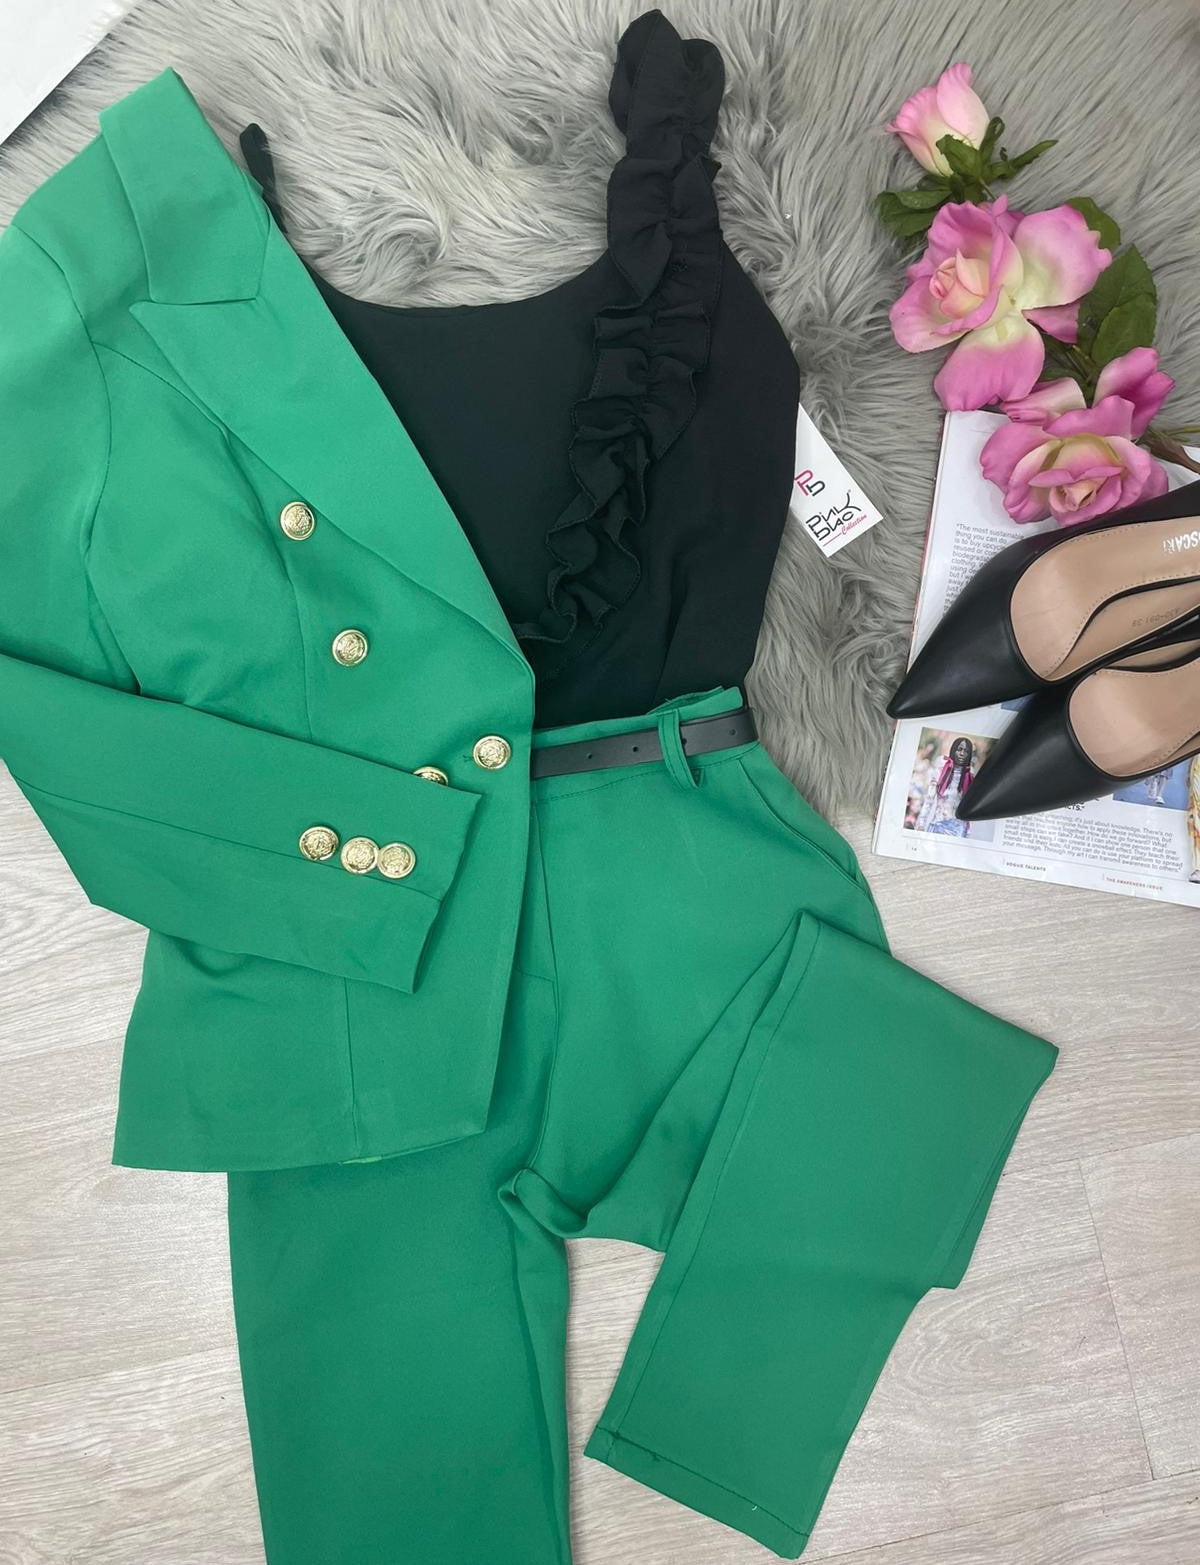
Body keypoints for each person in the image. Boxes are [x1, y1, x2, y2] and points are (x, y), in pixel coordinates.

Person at [915, 736, 976, 837]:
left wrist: (968, 834)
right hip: (937, 827)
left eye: (966, 751)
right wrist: (921, 823)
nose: (962, 753)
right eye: (959, 749)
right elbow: (929, 800)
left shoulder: (970, 778)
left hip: (958, 831)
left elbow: (969, 809)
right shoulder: (940, 772)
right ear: (953, 750)